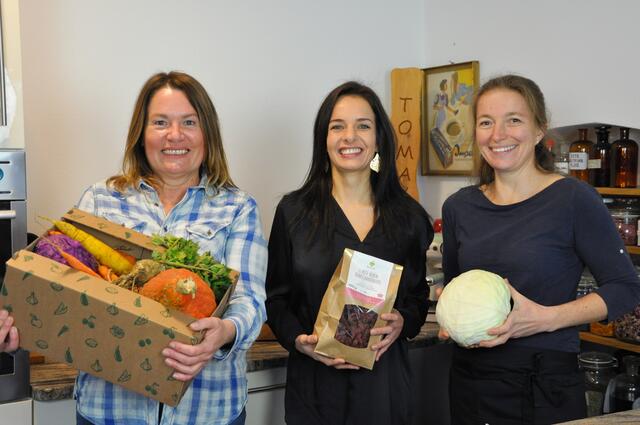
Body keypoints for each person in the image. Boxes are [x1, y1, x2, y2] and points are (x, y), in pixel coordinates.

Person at [0, 71, 267, 425]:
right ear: (142, 133)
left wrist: (225, 331)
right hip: (111, 410)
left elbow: (249, 298)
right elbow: (66, 292)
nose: (175, 135)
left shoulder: (237, 207)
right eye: (160, 122)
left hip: (207, 411)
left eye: (189, 121)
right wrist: (24, 324)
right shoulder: (102, 198)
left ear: (207, 134)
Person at [439, 74, 640, 424]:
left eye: (513, 120)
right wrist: (450, 315)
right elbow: (456, 283)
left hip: (544, 382)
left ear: (538, 131)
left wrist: (544, 319)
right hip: (471, 379)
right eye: (486, 122)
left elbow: (625, 288)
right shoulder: (460, 207)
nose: (498, 134)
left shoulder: (574, 199)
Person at [265, 81, 433, 425]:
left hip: (384, 389)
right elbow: (275, 299)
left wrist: (404, 322)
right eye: (337, 126)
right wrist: (298, 341)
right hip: (314, 389)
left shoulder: (409, 218)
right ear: (323, 139)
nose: (349, 137)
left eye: (363, 126)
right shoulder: (293, 212)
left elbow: (417, 297)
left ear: (378, 138)